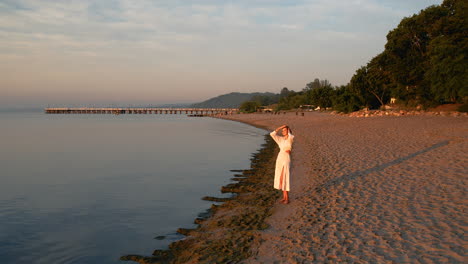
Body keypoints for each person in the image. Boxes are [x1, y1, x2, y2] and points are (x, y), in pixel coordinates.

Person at [270, 125, 294, 204]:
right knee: (280, 178)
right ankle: (284, 197)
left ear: (288, 131)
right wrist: (280, 127)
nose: (283, 131)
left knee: (285, 177)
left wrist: (288, 128)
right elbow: (272, 134)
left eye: (284, 130)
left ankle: (287, 199)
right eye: (282, 130)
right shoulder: (280, 139)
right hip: (280, 158)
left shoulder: (290, 138)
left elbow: (291, 135)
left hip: (286, 159)